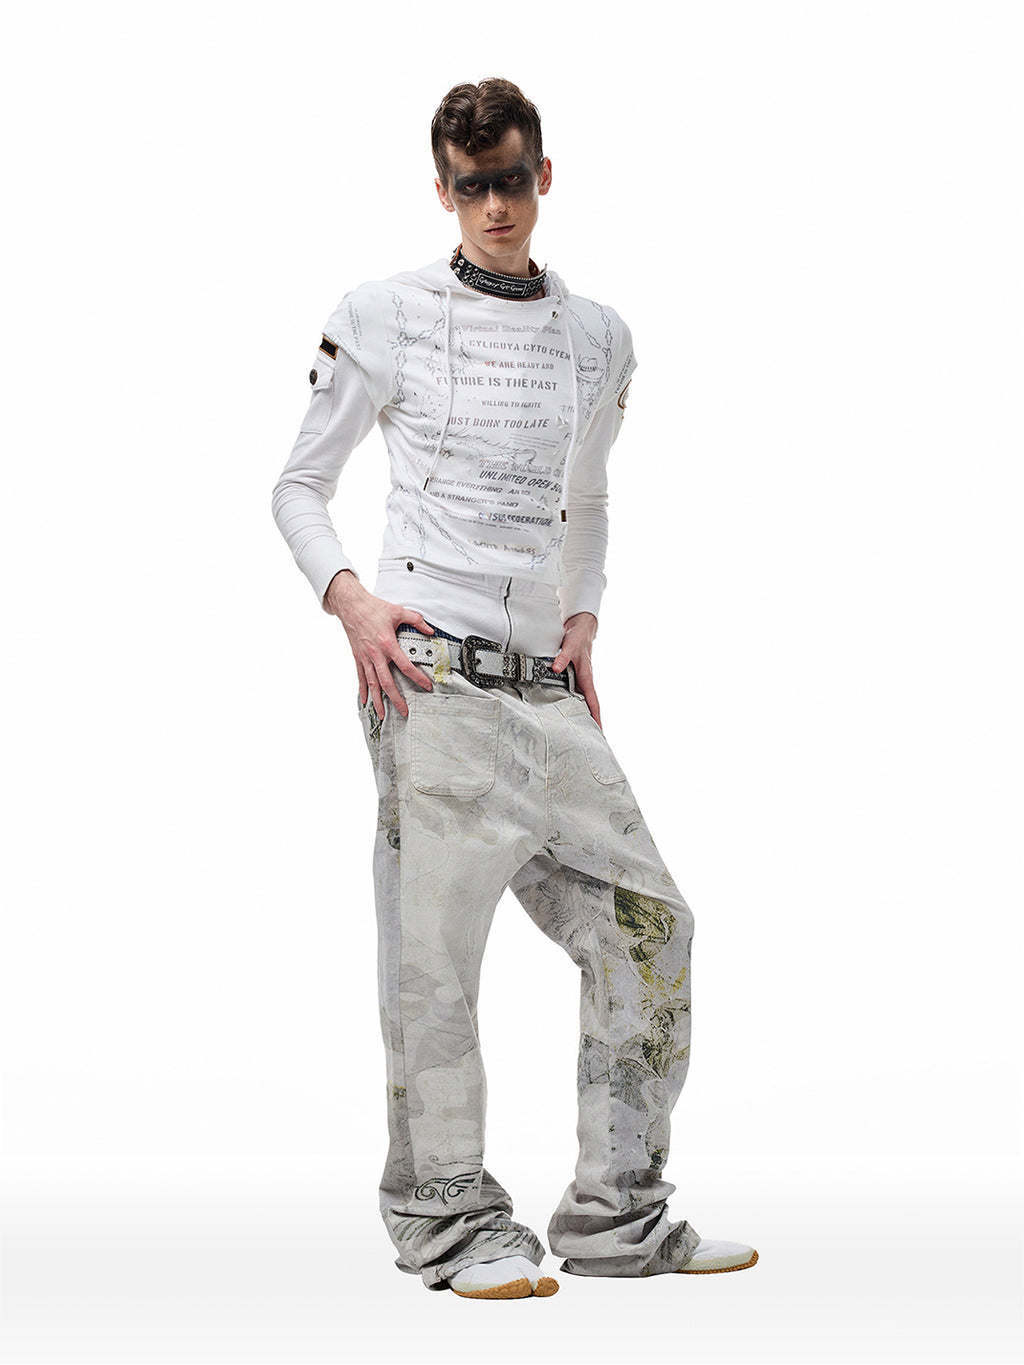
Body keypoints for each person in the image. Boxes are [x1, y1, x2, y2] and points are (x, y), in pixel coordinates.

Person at [271, 78, 757, 1300]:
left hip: (545, 687)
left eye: (511, 181)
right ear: (443, 190)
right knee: (435, 959)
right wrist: (351, 602)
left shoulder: (599, 337)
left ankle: (616, 1217)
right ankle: (447, 1225)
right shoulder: (382, 313)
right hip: (429, 677)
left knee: (649, 928)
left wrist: (583, 615)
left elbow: (587, 498)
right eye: (470, 186)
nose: (494, 205)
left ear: (545, 176)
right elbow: (298, 486)